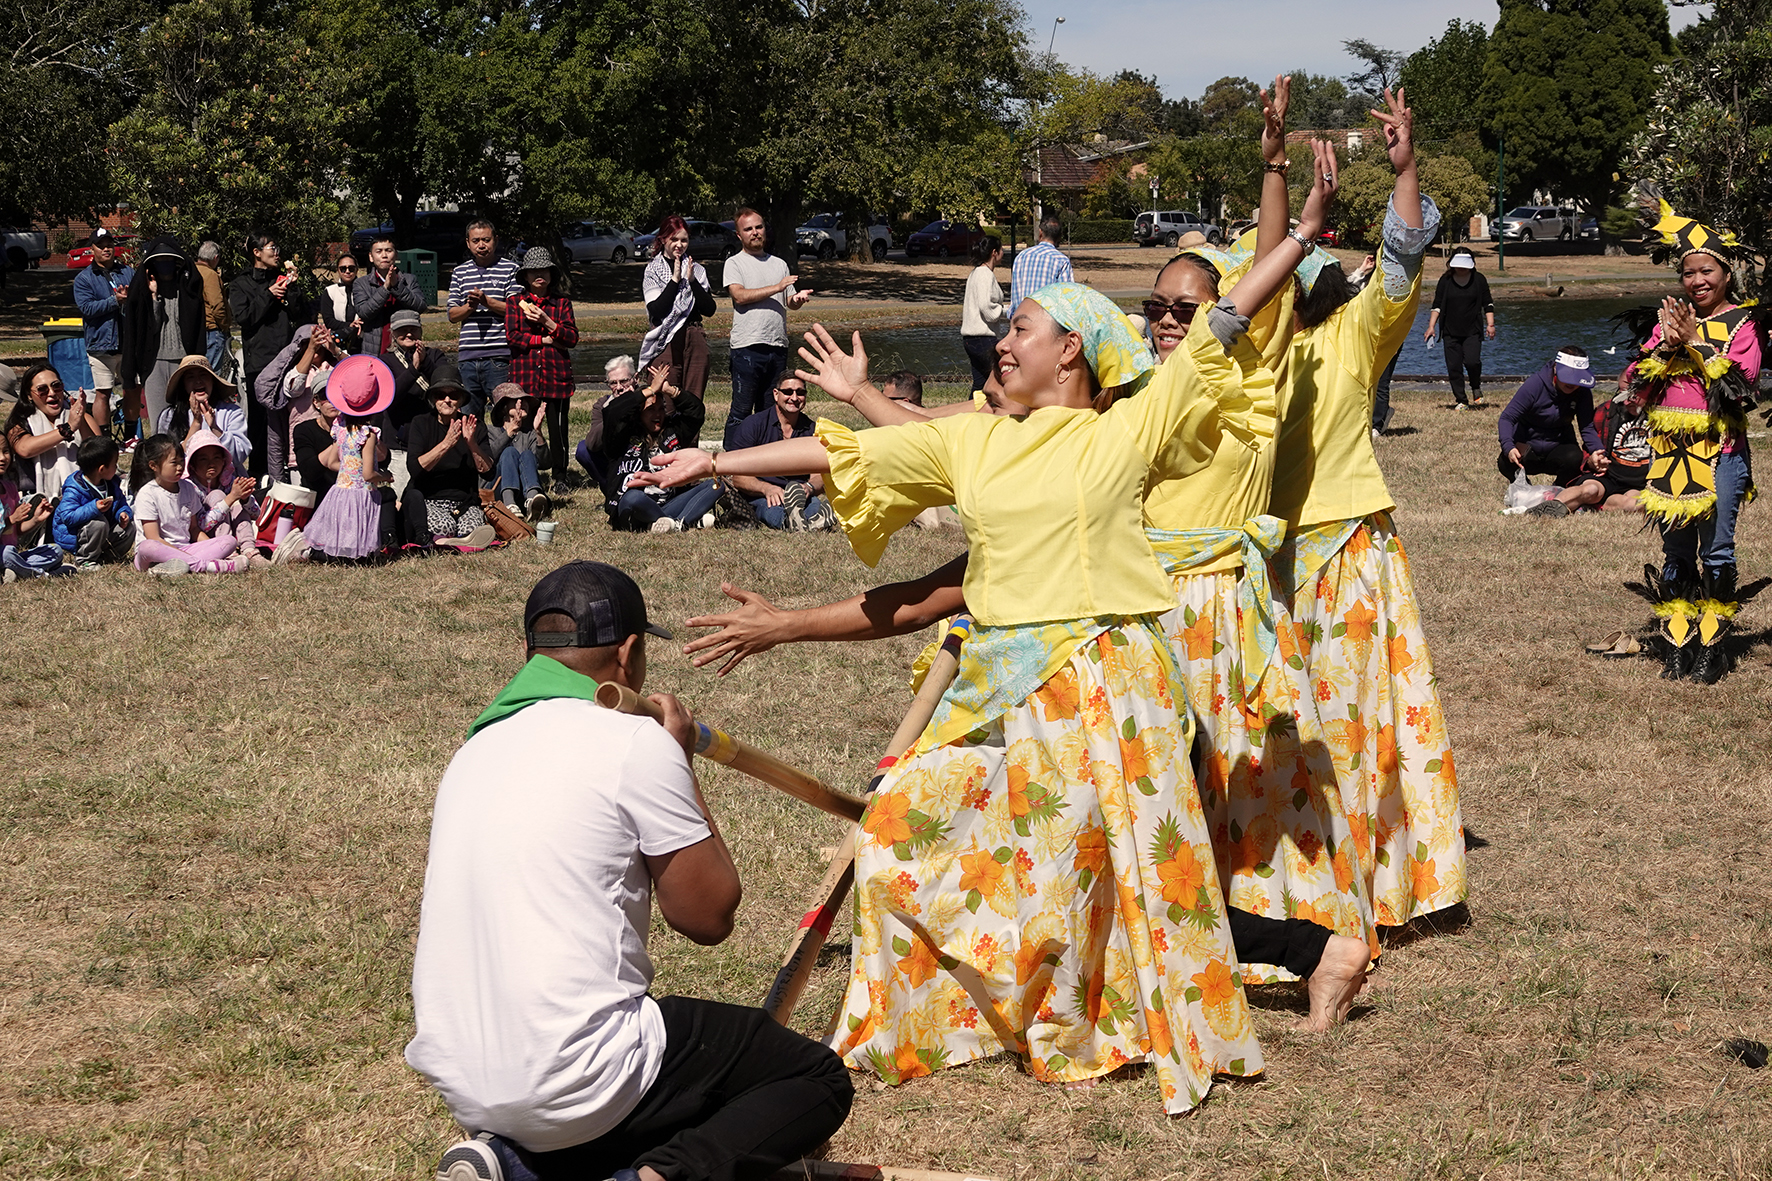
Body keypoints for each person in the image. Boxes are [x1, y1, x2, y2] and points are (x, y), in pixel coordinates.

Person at [638, 184, 1332, 1107]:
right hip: (1006, 690)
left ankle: (1162, 1001)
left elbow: (1229, 320)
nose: (1004, 339)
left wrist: (1302, 236)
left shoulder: (1130, 428)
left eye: (1025, 326)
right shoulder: (975, 441)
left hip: (1111, 692)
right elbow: (841, 454)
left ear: (1071, 351)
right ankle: (946, 1017)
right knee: (898, 828)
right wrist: (714, 460)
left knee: (1108, 882)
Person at [409, 560, 853, 1181]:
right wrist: (675, 760)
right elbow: (709, 915)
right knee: (814, 1077)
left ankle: (511, 1160)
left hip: (465, 1083)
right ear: (629, 651)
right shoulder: (632, 742)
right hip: (578, 1077)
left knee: (663, 1090)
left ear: (532, 651)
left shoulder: (475, 750)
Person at [1265, 89, 1467, 939]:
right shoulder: (1254, 342)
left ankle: (1374, 888)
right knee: (1288, 727)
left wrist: (1406, 168)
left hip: (1346, 544)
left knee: (1351, 722)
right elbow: (1267, 256)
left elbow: (1400, 257)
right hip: (1266, 553)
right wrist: (1274, 166)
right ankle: (1299, 884)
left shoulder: (1358, 332)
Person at [1626, 188, 1764, 684]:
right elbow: (1633, 387)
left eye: (1707, 271)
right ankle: (1678, 642)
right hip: (1669, 457)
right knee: (1677, 551)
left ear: (1727, 274)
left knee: (1717, 550)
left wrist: (1695, 343)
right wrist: (1663, 346)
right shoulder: (1669, 321)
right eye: (1688, 272)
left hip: (1721, 454)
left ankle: (1713, 647)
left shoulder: (1746, 324)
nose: (1697, 280)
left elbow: (1741, 386)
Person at [722, 208, 814, 447]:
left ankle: (765, 461)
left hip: (777, 346)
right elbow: (739, 296)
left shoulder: (779, 264)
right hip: (747, 347)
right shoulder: (734, 263)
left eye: (759, 227)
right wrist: (776, 287)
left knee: (769, 411)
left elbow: (788, 302)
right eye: (748, 229)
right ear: (739, 235)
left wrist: (797, 300)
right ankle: (730, 463)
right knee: (741, 411)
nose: (755, 232)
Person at [598, 364, 716, 534]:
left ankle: (673, 524)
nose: (657, 414)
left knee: (716, 483)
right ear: (639, 413)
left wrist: (670, 390)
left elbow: (696, 412)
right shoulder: (621, 437)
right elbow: (613, 412)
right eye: (651, 409)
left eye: (661, 409)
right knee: (633, 496)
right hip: (632, 508)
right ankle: (686, 520)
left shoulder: (672, 432)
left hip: (669, 504)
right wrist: (650, 390)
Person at [228, 232, 304, 477]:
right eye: (272, 247)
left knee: (290, 416)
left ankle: (291, 469)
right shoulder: (241, 284)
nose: (277, 252)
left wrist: (292, 289)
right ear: (257, 252)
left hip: (287, 358)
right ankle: (259, 475)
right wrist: (269, 294)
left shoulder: (284, 279)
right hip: (259, 361)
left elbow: (301, 315)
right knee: (261, 422)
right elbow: (244, 318)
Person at [304, 355, 393, 561]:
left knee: (340, 537)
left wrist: (348, 471)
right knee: (359, 544)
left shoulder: (341, 429)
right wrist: (385, 477)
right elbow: (369, 474)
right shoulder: (368, 434)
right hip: (360, 493)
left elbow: (331, 462)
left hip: (341, 491)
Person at [721, 375, 835, 532]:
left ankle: (809, 521)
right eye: (788, 392)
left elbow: (820, 475)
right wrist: (766, 488)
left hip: (799, 494)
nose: (794, 398)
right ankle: (793, 522)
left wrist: (809, 487)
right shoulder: (754, 424)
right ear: (776, 394)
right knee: (770, 509)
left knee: (814, 505)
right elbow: (737, 476)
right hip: (761, 494)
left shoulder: (812, 430)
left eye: (800, 392)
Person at [127, 434, 253, 575]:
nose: (180, 467)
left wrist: (208, 545)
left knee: (229, 541)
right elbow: (153, 537)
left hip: (186, 548)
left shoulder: (188, 488)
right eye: (174, 463)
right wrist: (181, 554)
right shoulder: (147, 494)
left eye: (182, 461)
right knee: (147, 547)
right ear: (153, 466)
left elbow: (194, 529)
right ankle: (206, 566)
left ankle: (177, 566)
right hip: (155, 553)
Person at [506, 247, 579, 487]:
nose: (540, 275)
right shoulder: (515, 302)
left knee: (558, 430)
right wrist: (544, 340)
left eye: (545, 270)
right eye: (534, 271)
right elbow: (513, 337)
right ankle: (526, 472)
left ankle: (560, 475)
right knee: (523, 425)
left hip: (555, 375)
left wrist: (547, 322)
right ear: (525, 276)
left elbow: (571, 338)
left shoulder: (561, 303)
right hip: (524, 376)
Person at [120, 237, 206, 438]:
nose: (165, 266)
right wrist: (154, 298)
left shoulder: (187, 289)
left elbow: (193, 325)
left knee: (186, 416)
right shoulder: (143, 292)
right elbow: (148, 328)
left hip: (184, 360)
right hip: (155, 362)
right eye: (160, 261)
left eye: (169, 260)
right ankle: (161, 462)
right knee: (159, 419)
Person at [403, 363, 495, 549]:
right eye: (440, 395)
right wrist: (446, 444)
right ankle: (448, 540)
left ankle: (451, 541)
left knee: (473, 525)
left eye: (453, 395)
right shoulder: (421, 423)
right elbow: (414, 468)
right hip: (430, 499)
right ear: (433, 399)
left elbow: (489, 473)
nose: (447, 400)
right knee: (444, 526)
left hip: (464, 502)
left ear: (460, 400)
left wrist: (472, 444)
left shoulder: (473, 426)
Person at [1532, 373, 1650, 517]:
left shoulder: (1664, 416)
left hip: (1639, 483)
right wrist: (1592, 460)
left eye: (1633, 394)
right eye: (1622, 393)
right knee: (1589, 490)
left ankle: (1597, 505)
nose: (1627, 400)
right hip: (1607, 476)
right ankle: (1551, 507)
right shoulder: (1606, 411)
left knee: (1634, 504)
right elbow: (1590, 445)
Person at [1498, 346, 1603, 491]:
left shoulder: (1583, 392)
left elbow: (1587, 427)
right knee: (1505, 461)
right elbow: (1507, 418)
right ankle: (1524, 489)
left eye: (1577, 379)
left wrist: (1597, 451)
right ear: (1555, 368)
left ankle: (1558, 490)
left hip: (1559, 446)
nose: (1572, 384)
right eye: (1568, 376)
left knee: (1575, 459)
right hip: (1527, 446)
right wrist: (1509, 447)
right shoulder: (1535, 385)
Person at [638, 215, 715, 401]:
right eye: (673, 239)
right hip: (666, 338)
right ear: (663, 239)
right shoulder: (653, 270)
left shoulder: (696, 269)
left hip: (694, 335)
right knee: (665, 398)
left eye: (683, 240)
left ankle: (690, 432)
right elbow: (657, 311)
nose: (679, 245)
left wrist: (692, 282)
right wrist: (674, 280)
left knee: (692, 399)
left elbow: (709, 309)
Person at [72, 227, 138, 441]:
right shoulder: (84, 278)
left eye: (109, 245)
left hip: (128, 343)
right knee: (103, 392)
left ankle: (130, 437)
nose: (106, 249)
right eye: (101, 246)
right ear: (92, 249)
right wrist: (114, 301)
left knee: (133, 389)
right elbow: (87, 308)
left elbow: (140, 299)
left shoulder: (127, 272)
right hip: (101, 344)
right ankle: (104, 439)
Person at [447, 220, 518, 414]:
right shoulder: (460, 272)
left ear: (495, 240)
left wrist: (486, 301)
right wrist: (470, 307)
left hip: (499, 357)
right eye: (476, 240)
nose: (481, 245)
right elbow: (452, 314)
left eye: (486, 240)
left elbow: (515, 310)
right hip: (467, 358)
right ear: (468, 243)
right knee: (469, 417)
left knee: (506, 415)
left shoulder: (511, 269)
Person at [6, 364, 105, 499]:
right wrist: (67, 428)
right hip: (35, 500)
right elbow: (25, 448)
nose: (52, 393)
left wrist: (80, 422)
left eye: (56, 386)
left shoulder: (82, 417)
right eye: (42, 389)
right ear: (29, 395)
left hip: (82, 496)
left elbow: (101, 454)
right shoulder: (19, 422)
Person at [1423, 246, 1495, 408]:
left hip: (1472, 330)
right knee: (1454, 367)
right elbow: (1437, 305)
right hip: (1450, 331)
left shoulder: (1479, 279)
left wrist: (1490, 324)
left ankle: (1475, 386)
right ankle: (1461, 400)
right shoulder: (1445, 280)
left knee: (1472, 361)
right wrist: (1431, 326)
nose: (1461, 268)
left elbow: (1487, 303)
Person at [182, 428, 264, 563]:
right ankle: (227, 553)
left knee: (237, 503)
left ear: (224, 461)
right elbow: (201, 526)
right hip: (206, 540)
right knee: (218, 495)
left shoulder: (230, 481)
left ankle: (249, 550)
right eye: (203, 459)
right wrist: (229, 499)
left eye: (216, 457)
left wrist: (245, 498)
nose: (211, 463)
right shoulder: (190, 488)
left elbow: (256, 514)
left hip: (234, 535)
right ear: (192, 465)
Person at [158, 354, 250, 474]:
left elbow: (239, 456)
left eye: (203, 375)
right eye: (190, 377)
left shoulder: (232, 412)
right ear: (183, 385)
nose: (198, 381)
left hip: (227, 484)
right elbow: (166, 460)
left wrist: (215, 428)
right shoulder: (169, 416)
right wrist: (196, 424)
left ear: (212, 381)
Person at [51, 436, 133, 566]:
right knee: (98, 523)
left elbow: (121, 503)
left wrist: (123, 513)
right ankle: (85, 560)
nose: (116, 467)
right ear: (101, 469)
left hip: (104, 534)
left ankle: (108, 558)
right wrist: (94, 508)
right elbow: (67, 516)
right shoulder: (74, 488)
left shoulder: (111, 483)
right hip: (78, 538)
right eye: (114, 464)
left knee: (130, 527)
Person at [0, 431, 68, 580]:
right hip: (5, 554)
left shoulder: (10, 488)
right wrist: (11, 519)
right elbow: (10, 524)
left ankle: (15, 572)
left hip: (12, 554)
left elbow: (16, 531)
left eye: (5, 451)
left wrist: (36, 520)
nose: (2, 458)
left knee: (54, 550)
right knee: (7, 553)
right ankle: (41, 575)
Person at [351, 235, 425, 356]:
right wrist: (385, 288)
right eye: (379, 251)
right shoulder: (361, 283)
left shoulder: (409, 280)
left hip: (406, 347)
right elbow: (364, 312)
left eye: (388, 251)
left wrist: (397, 287)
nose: (384, 255)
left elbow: (420, 306)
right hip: (375, 349)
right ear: (371, 257)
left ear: (396, 255)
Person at [487, 384, 550, 521]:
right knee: (510, 452)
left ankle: (532, 500)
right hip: (497, 490)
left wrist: (538, 432)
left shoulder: (529, 434)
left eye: (524, 400)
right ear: (504, 408)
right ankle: (509, 503)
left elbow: (545, 463)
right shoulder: (490, 431)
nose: (523, 404)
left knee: (527, 454)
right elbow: (487, 459)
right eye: (516, 401)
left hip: (523, 490)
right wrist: (510, 432)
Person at [380, 308, 441, 446]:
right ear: (393, 334)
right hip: (400, 438)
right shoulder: (385, 362)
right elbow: (389, 397)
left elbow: (445, 384)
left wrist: (425, 362)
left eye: (413, 329)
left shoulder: (435, 356)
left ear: (421, 331)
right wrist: (413, 370)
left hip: (433, 435)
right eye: (402, 330)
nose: (408, 334)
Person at [577, 356, 637, 489]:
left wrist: (633, 402)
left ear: (635, 379)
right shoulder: (602, 405)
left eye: (624, 381)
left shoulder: (646, 397)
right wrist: (612, 411)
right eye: (613, 383)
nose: (619, 388)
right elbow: (592, 444)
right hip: (613, 457)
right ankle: (611, 491)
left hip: (639, 454)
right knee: (582, 449)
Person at [961, 235, 1006, 391]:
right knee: (1000, 382)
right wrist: (1008, 311)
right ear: (994, 252)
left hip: (971, 340)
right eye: (1001, 249)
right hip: (984, 339)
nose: (1003, 252)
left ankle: (968, 414)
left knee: (980, 386)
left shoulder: (975, 273)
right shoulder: (985, 274)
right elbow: (989, 311)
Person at [1007, 213, 1074, 317]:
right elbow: (1066, 298)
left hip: (1021, 319)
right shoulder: (1061, 260)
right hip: (1045, 321)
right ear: (1059, 237)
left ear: (1040, 233)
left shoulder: (1022, 256)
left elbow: (1015, 294)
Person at [292, 382, 340, 503]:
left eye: (336, 395)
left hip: (350, 496)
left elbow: (383, 460)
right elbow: (309, 471)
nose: (331, 401)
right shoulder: (304, 430)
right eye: (325, 396)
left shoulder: (355, 429)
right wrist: (340, 441)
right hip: (318, 499)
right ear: (316, 402)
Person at [194, 241, 233, 375]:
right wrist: (224, 324)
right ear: (215, 258)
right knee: (211, 373)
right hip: (212, 330)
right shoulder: (210, 275)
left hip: (197, 330)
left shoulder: (191, 271)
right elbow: (217, 304)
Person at [319, 254, 362, 355]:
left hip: (361, 340)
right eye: (343, 268)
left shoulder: (364, 290)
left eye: (351, 268)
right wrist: (349, 326)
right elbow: (328, 320)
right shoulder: (330, 291)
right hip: (338, 341)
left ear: (357, 270)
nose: (347, 271)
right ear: (338, 270)